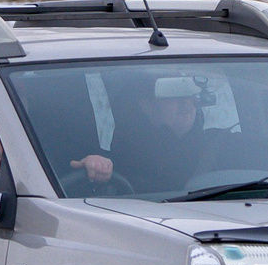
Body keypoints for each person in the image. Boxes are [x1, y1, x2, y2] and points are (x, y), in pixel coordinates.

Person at [69, 75, 218, 195]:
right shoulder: (119, 162)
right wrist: (95, 166)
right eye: (171, 94)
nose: (185, 102)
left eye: (188, 94)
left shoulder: (223, 146)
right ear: (146, 105)